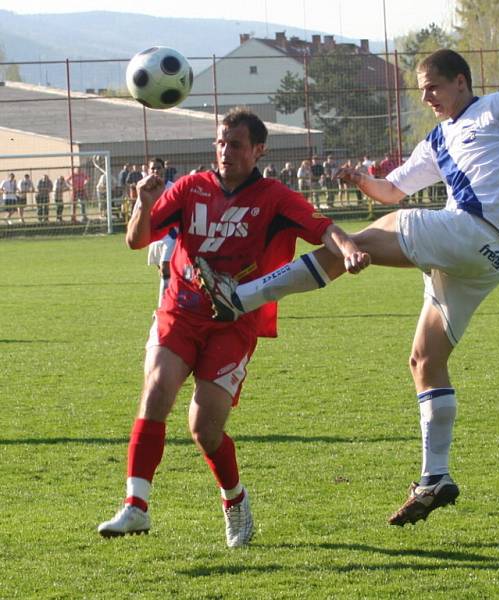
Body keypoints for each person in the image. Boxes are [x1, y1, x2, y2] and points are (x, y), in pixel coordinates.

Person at [194, 49, 499, 527]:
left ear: (461, 81)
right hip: (483, 261)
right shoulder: (438, 140)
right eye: (422, 90)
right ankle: (435, 476)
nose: (427, 97)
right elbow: (393, 189)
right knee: (425, 360)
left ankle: (243, 296)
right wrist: (362, 180)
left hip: (478, 234)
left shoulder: (494, 107)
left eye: (433, 87)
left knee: (362, 238)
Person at [96, 107, 369, 547]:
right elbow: (136, 239)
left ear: (258, 149)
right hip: (179, 312)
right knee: (155, 392)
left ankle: (235, 499)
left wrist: (350, 249)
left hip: (232, 324)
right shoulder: (190, 188)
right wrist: (144, 204)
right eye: (221, 143)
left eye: (236, 144)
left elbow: (324, 228)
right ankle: (136, 506)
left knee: (205, 428)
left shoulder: (274, 196)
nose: (225, 152)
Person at [144, 158, 177, 306]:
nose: (155, 171)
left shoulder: (173, 188)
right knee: (163, 273)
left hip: (171, 234)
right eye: (153, 169)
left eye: (158, 168)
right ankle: (173, 299)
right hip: (154, 236)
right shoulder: (144, 191)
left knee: (165, 268)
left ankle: (162, 308)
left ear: (164, 169)